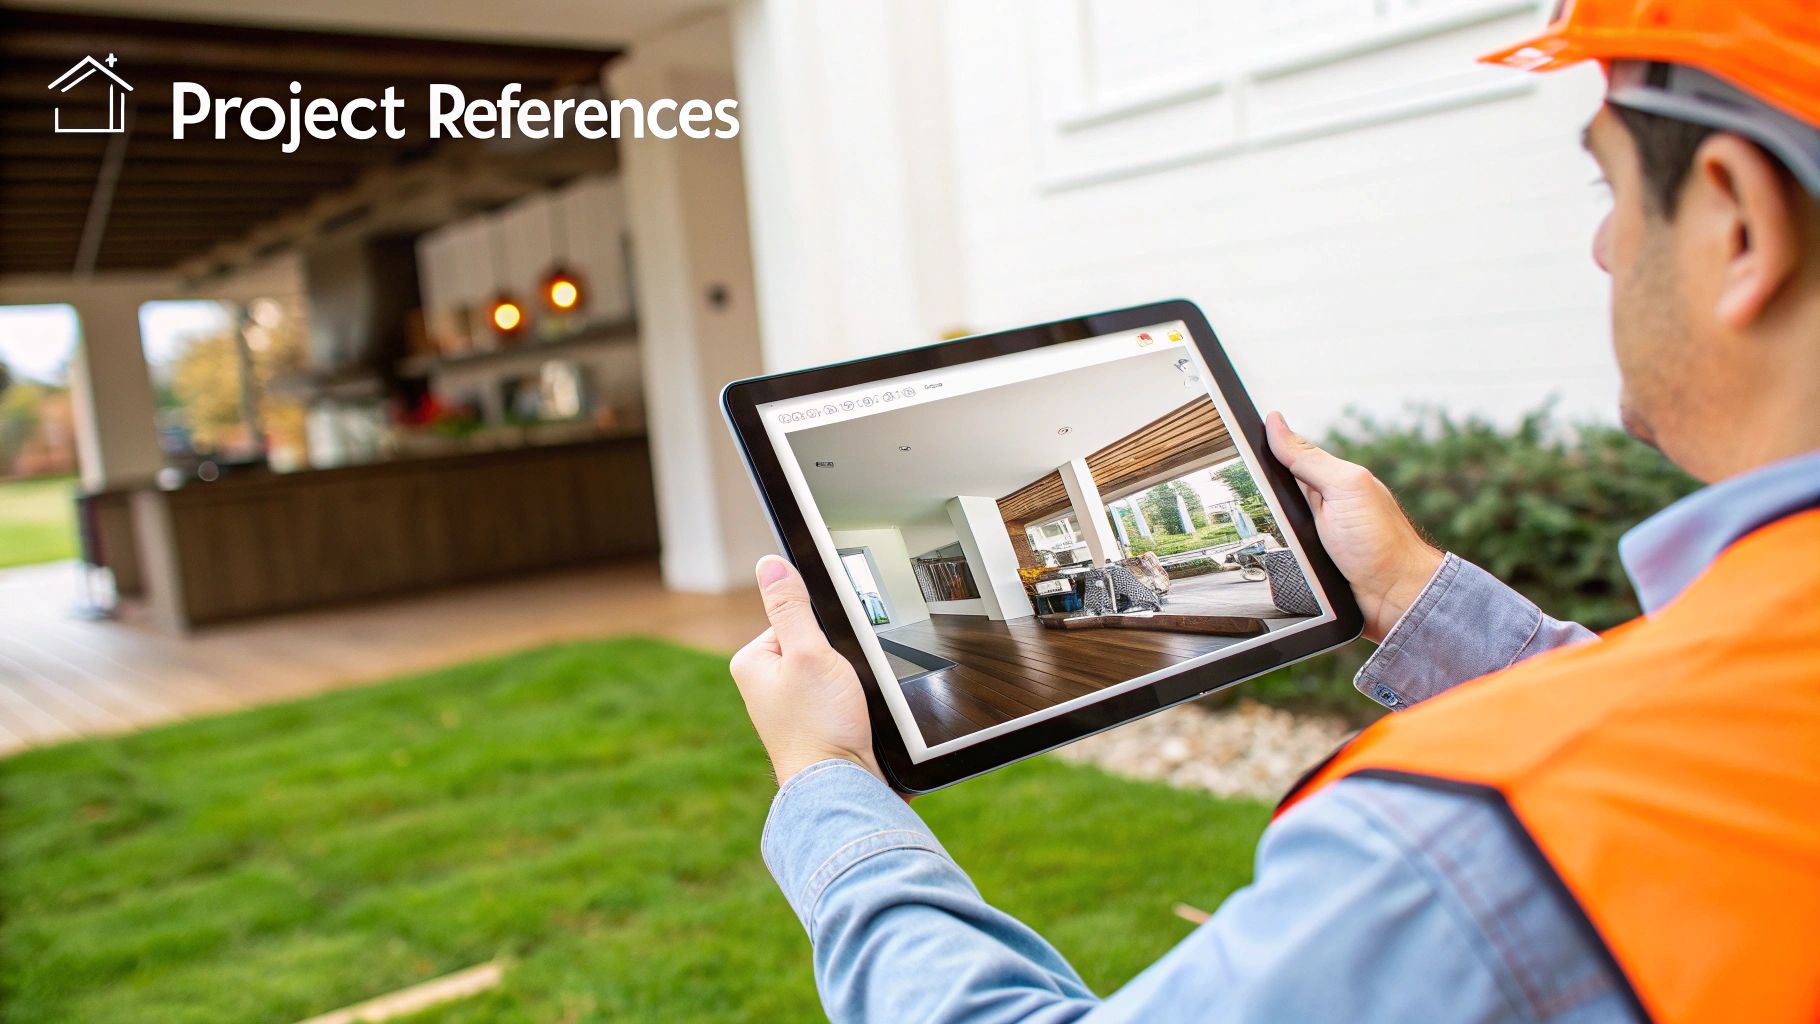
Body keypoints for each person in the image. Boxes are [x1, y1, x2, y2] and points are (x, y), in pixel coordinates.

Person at [730, 2, 1820, 1020]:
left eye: (1609, 194)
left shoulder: (1461, 847)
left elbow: (1603, 767)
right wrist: (1398, 584)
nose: (1600, 249)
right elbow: (1658, 742)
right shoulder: (1739, 714)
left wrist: (827, 785)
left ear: (1735, 223)